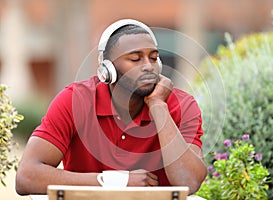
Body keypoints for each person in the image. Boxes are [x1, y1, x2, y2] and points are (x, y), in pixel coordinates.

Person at [15, 19, 207, 195]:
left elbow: (188, 181)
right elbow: (26, 177)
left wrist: (158, 106)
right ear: (107, 70)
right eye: (135, 59)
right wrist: (115, 181)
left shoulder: (183, 105)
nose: (149, 66)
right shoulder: (75, 100)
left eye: (154, 57)